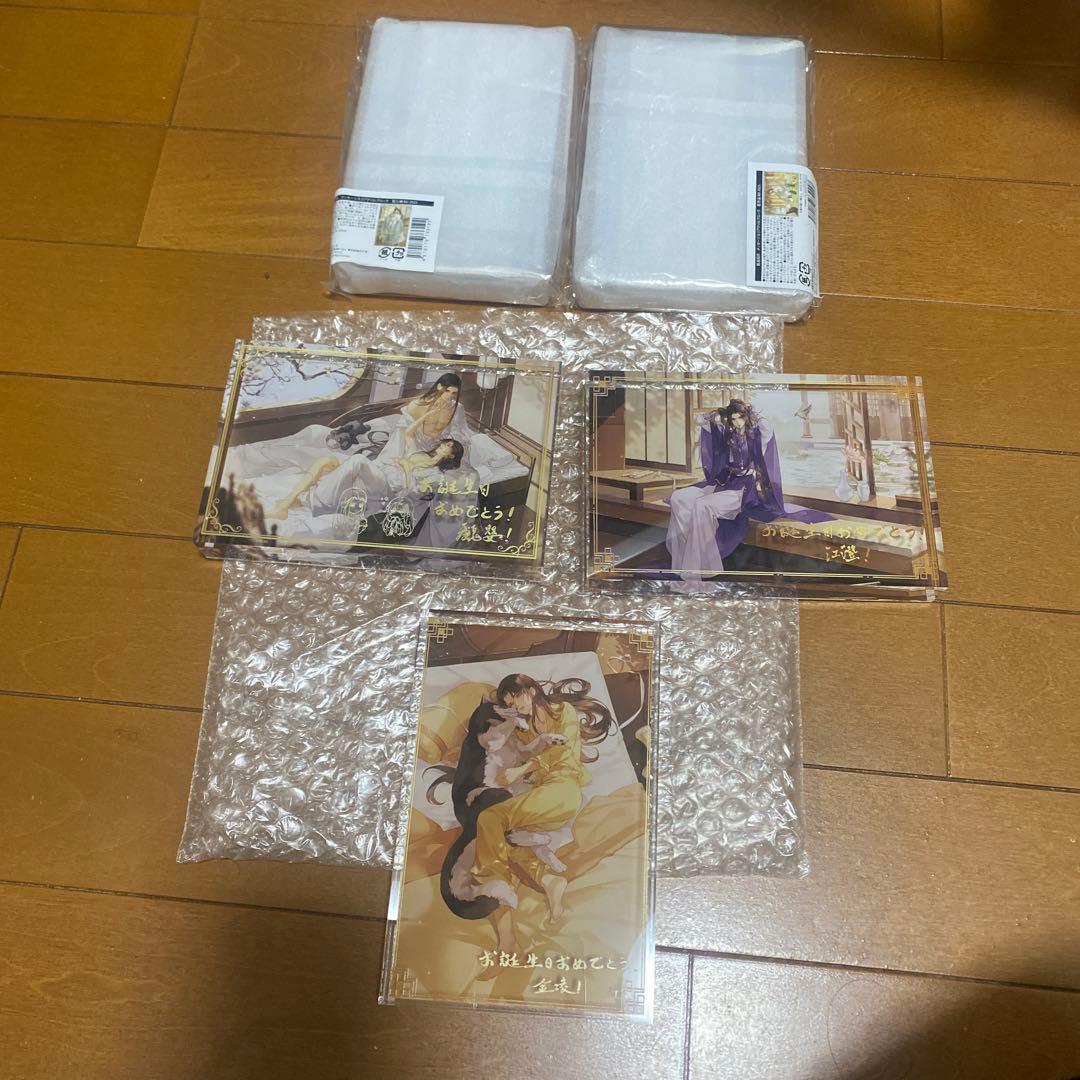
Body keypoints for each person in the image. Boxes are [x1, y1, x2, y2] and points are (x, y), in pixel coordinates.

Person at [470, 674, 613, 953]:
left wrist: (522, 770)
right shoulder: (523, 729)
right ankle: (548, 881)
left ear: (531, 690)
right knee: (502, 839)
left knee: (490, 819)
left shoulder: (563, 711)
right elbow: (522, 752)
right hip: (541, 793)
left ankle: (495, 886)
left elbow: (563, 750)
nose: (517, 707)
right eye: (511, 704)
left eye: (517, 698)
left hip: (563, 789)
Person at [666, 398, 826, 576]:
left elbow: (767, 428)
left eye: (740, 418)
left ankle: (704, 564)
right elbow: (702, 422)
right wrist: (716, 414)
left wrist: (752, 415)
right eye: (733, 419)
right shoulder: (727, 434)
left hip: (743, 490)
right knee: (678, 498)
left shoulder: (755, 435)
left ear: (746, 416)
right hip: (724, 483)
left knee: (701, 505)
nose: (737, 423)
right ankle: (685, 559)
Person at [266, 438, 464, 522]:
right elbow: (408, 434)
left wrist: (405, 467)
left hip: (389, 486)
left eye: (448, 447)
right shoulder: (421, 454)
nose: (443, 446)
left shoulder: (437, 476)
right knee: (325, 461)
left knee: (358, 461)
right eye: (444, 443)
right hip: (381, 471)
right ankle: (287, 503)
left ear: (452, 456)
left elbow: (410, 492)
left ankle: (309, 502)